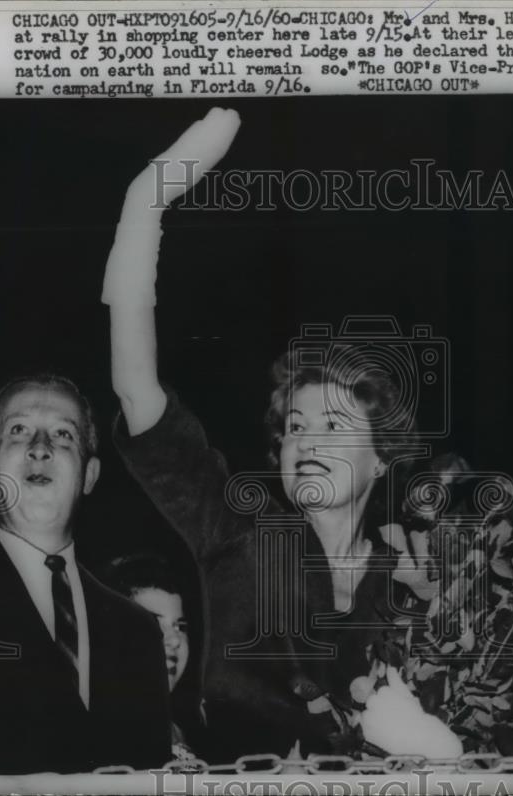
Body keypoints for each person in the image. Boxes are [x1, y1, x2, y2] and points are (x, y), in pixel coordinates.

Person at [103, 109, 436, 759]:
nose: (307, 441)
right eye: (294, 427)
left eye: (335, 425)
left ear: (382, 457)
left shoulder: (419, 575)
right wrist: (144, 202)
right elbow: (137, 391)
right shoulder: (237, 536)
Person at [0, 374, 172, 774]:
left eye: (63, 435)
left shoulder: (139, 632)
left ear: (89, 476)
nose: (40, 449)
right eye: (19, 430)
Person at [99, 553, 205, 761]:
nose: (175, 640)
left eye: (180, 626)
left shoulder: (181, 730)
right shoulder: (100, 729)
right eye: (153, 623)